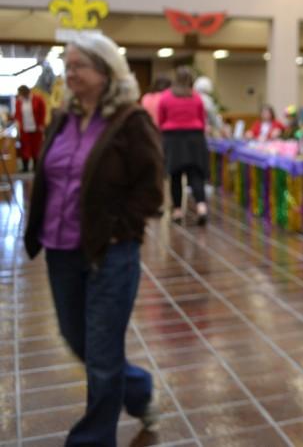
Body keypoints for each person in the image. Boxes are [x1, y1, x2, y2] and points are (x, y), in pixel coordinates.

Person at [22, 33, 162, 445]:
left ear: (105, 72)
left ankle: (93, 439)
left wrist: (122, 228)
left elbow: (151, 188)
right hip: (60, 249)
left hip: (110, 250)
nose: (70, 71)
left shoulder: (130, 121)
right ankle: (136, 387)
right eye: (67, 64)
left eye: (79, 64)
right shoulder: (64, 118)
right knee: (76, 338)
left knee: (101, 352)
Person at [157, 67, 210, 225]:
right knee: (196, 175)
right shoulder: (196, 97)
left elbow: (161, 120)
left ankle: (178, 211)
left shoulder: (166, 97)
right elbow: (202, 119)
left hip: (173, 139)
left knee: (175, 176)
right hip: (195, 139)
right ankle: (201, 207)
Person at [14, 84, 47, 172]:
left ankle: (36, 167)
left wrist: (41, 124)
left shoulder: (38, 99)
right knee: (25, 148)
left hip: (36, 127)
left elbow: (43, 112)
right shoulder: (19, 101)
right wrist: (18, 126)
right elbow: (17, 114)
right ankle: (25, 167)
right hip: (24, 128)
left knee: (36, 148)